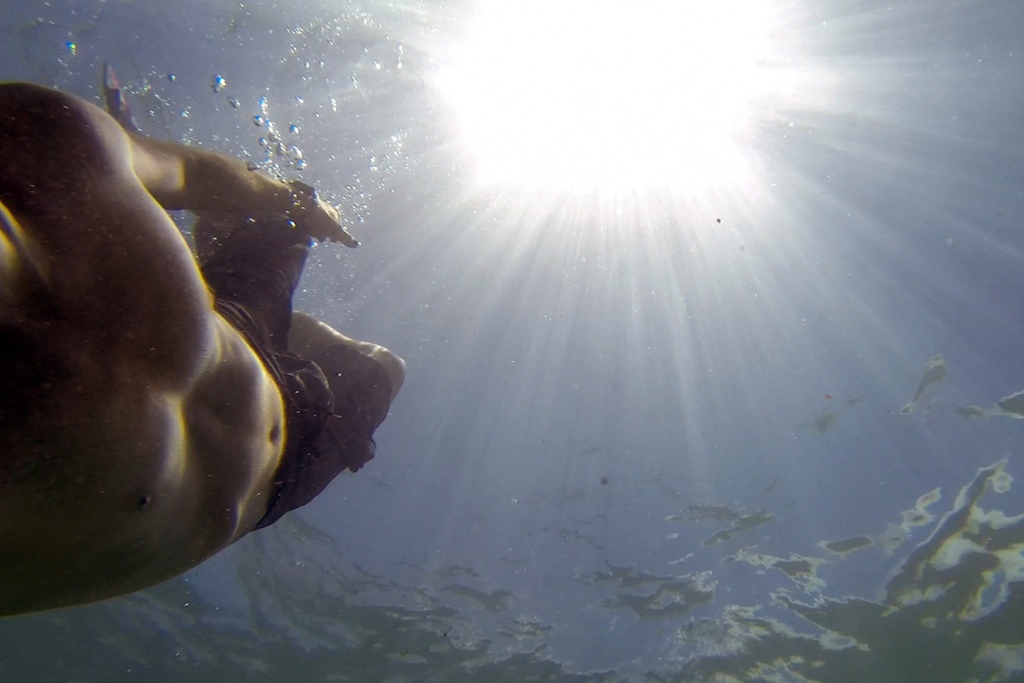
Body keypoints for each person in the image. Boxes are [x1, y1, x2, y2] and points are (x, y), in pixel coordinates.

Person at [0, 80, 405, 616]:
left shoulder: (40, 137)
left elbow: (192, 173)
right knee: (382, 369)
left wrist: (297, 200)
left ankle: (210, 258)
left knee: (287, 224)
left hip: (229, 332)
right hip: (286, 462)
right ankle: (214, 271)